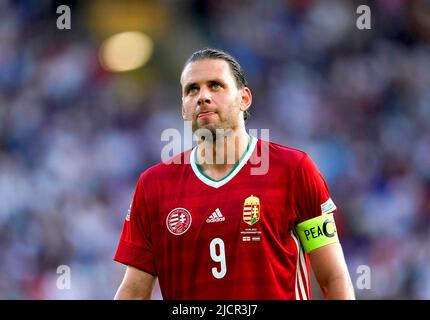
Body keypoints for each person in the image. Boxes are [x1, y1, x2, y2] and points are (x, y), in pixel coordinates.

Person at [113, 48, 355, 300]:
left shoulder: (293, 169)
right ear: (183, 108)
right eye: (192, 89)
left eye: (216, 85)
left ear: (244, 98)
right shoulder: (153, 186)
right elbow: (133, 291)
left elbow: (334, 280)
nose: (203, 96)